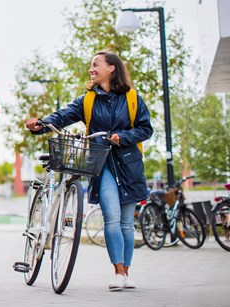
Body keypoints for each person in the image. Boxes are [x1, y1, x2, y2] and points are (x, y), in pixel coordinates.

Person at [25, 51, 153, 291]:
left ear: (111, 68)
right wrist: (40, 125)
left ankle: (126, 273)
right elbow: (62, 116)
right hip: (101, 162)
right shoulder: (88, 100)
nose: (91, 69)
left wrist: (122, 136)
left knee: (127, 223)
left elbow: (146, 129)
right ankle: (117, 271)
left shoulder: (133, 98)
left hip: (128, 164)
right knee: (112, 217)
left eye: (96, 65)